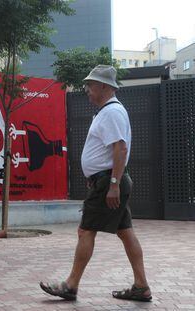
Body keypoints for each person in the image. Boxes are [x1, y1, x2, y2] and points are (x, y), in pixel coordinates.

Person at [40, 65, 152, 302]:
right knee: (126, 233)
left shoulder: (112, 112)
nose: (87, 90)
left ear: (104, 86)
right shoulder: (108, 111)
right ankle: (141, 286)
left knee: (85, 230)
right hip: (107, 181)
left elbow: (120, 148)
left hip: (108, 182)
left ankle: (70, 285)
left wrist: (113, 183)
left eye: (90, 85)